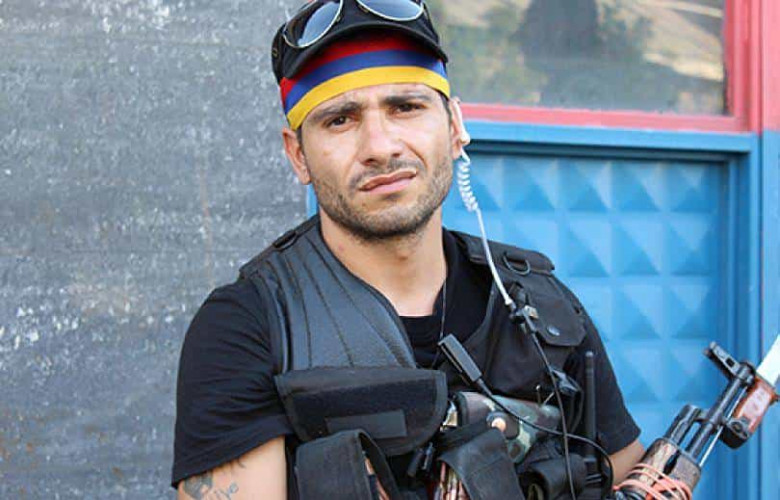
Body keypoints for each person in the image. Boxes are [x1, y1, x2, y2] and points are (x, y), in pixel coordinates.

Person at [172, 1, 644, 498]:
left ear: (455, 126)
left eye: (406, 107)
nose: (380, 146)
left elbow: (623, 472)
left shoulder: (539, 306)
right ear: (298, 154)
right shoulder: (250, 326)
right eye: (340, 119)